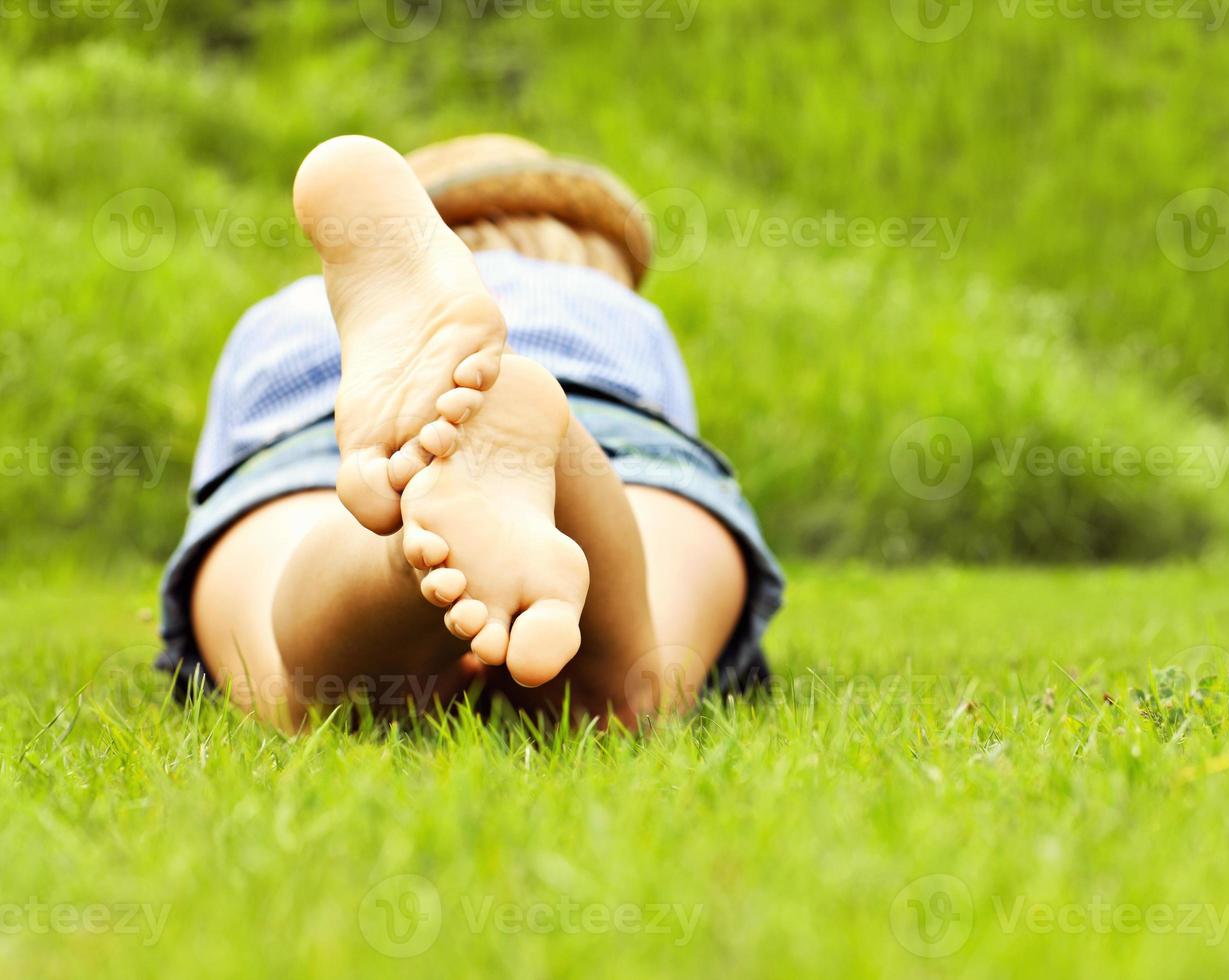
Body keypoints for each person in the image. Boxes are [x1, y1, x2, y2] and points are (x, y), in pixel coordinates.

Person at [154, 134, 784, 730]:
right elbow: (676, 439)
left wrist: (403, 485)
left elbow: (221, 472)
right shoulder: (616, 308)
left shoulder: (284, 312)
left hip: (319, 429)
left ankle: (402, 556)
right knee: (642, 679)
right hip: (606, 418)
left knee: (295, 689)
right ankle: (556, 450)